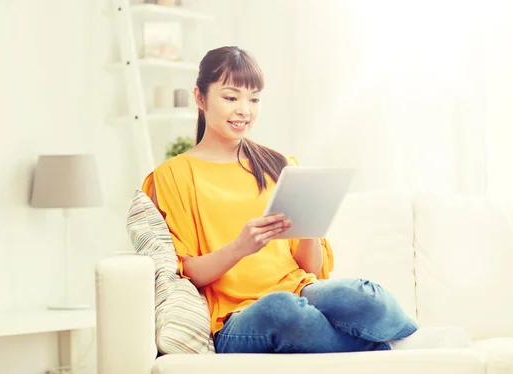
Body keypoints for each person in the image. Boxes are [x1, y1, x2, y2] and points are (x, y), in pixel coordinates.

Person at [142, 46, 419, 353]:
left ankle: (414, 343)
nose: (244, 110)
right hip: (235, 318)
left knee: (363, 294)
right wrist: (240, 247)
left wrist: (311, 225)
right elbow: (188, 271)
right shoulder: (172, 175)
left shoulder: (278, 164)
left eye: (254, 98)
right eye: (231, 97)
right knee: (283, 310)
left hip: (300, 290)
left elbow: (312, 269)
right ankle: (390, 352)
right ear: (200, 98)